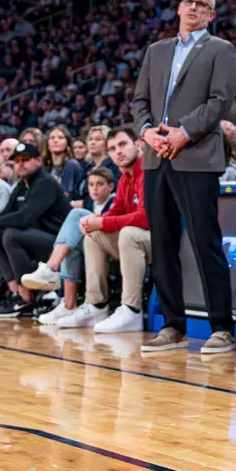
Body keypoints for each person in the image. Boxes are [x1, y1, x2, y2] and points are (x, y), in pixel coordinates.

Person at [132, 0, 236, 356]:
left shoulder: (221, 50)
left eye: (202, 5)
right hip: (155, 156)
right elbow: (139, 101)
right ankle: (173, 326)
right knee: (161, 244)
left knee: (204, 242)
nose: (194, 8)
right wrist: (147, 132)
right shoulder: (156, 51)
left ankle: (222, 328)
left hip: (195, 157)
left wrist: (184, 132)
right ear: (178, 8)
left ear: (211, 15)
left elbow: (220, 101)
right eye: (189, 2)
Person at [53, 127, 152, 334]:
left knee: (128, 233)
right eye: (113, 148)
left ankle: (131, 309)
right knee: (93, 236)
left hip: (164, 241)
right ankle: (96, 305)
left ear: (138, 144)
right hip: (140, 241)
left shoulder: (148, 171)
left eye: (123, 145)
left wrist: (103, 223)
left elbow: (146, 217)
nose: (118, 152)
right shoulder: (126, 177)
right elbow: (116, 210)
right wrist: (94, 222)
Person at [0, 142, 70, 318]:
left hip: (59, 245)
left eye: (26, 159)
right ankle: (15, 290)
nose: (20, 164)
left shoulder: (45, 183)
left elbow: (24, 218)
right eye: (17, 160)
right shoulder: (23, 184)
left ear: (38, 160)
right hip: (38, 239)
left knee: (11, 235)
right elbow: (6, 214)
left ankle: (26, 298)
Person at [20, 166, 115, 319]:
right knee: (71, 246)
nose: (95, 188)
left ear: (110, 186)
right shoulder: (90, 203)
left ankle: (51, 268)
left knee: (76, 215)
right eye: (91, 184)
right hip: (92, 244)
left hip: (110, 244)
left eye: (100, 184)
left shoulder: (114, 200)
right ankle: (68, 304)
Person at [46, 125, 85, 202]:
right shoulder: (46, 166)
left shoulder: (71, 165)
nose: (55, 140)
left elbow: (67, 195)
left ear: (67, 143)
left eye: (60, 137)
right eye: (52, 138)